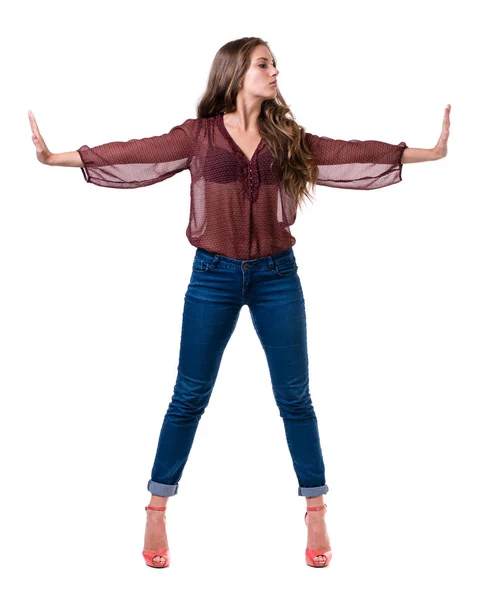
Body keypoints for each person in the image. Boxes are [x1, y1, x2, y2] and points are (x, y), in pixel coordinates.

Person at [29, 36, 451, 569]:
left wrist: (425, 153)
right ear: (235, 72)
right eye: (264, 64)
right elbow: (134, 153)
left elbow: (347, 153)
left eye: (275, 64)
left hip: (278, 276)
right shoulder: (199, 136)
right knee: (189, 394)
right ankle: (157, 504)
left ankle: (315, 505)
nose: (275, 71)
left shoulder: (286, 135)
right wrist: (56, 158)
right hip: (213, 277)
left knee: (295, 396)